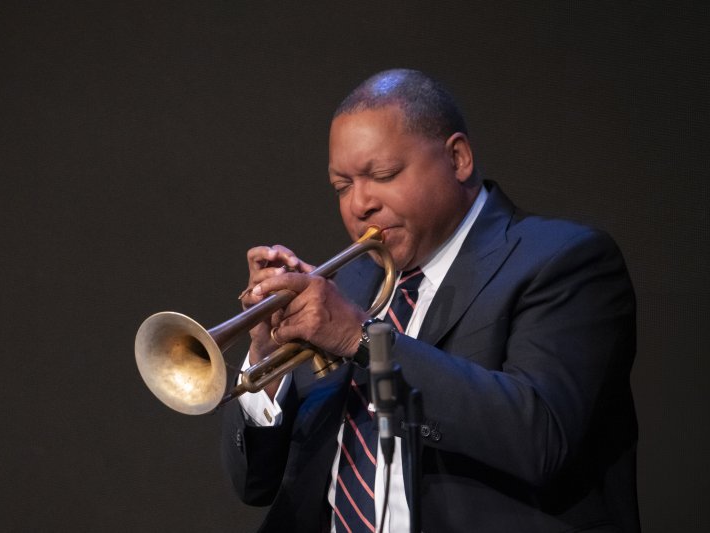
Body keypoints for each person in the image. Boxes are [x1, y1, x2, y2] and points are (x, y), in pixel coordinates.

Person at [221, 69, 639, 532]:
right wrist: (266, 357)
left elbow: (541, 439)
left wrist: (362, 338)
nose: (359, 204)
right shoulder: (350, 285)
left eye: (382, 175)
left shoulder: (564, 261)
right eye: (342, 186)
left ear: (458, 158)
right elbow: (255, 485)